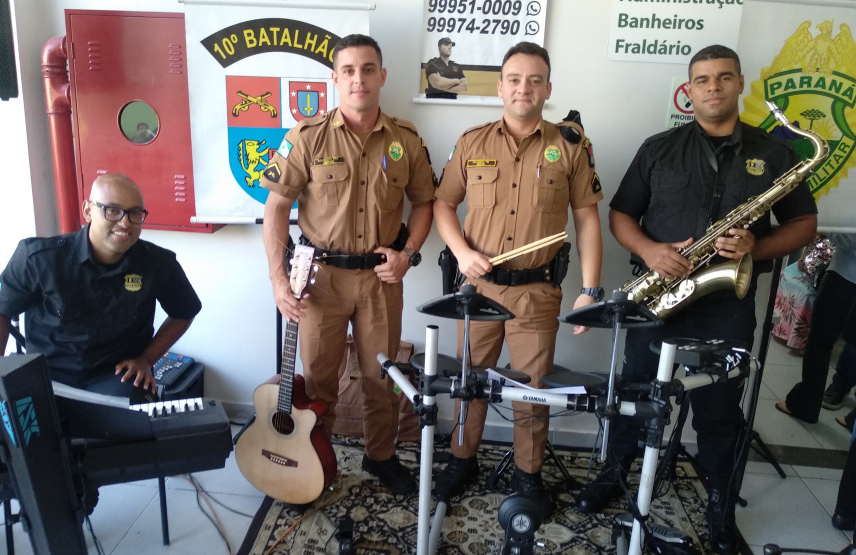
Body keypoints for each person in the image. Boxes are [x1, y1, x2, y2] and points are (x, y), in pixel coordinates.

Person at [576, 45, 817, 554]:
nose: (713, 87)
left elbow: (803, 224)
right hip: (658, 299)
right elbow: (621, 214)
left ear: (740, 83)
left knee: (719, 411)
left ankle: (720, 509)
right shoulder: (659, 148)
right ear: (688, 90)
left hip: (726, 304)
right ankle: (614, 474)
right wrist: (650, 251)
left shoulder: (774, 153)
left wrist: (757, 247)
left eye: (724, 77)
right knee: (635, 395)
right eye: (702, 79)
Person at [260, 34, 435, 495]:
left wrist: (408, 254)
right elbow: (277, 206)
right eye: (350, 70)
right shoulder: (307, 136)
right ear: (335, 79)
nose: (360, 79)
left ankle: (381, 457)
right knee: (319, 383)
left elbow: (424, 203)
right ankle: (313, 461)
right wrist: (278, 280)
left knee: (383, 377)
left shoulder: (405, 140)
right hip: (320, 280)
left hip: (380, 279)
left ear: (382, 76)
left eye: (368, 69)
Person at [432, 41, 604, 513]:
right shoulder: (472, 142)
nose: (523, 88)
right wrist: (462, 252)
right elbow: (443, 203)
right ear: (500, 87)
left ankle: (528, 474)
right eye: (514, 79)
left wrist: (590, 290)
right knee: (469, 383)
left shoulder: (570, 146)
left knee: (533, 391)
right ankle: (462, 459)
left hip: (537, 291)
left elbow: (587, 219)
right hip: (478, 290)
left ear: (547, 88)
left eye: (534, 80)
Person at [0, 173, 201, 403]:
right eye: (112, 210)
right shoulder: (39, 259)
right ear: (88, 211)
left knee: (135, 415)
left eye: (134, 213)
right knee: (4, 417)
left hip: (115, 377)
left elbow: (185, 311)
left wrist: (146, 359)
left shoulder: (158, 264)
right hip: (46, 374)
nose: (125, 223)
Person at [777, 233, 856, 422]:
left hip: (848, 277)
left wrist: (826, 228)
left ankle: (806, 405)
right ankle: (855, 420)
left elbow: (849, 239)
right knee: (855, 343)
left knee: (819, 343)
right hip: (850, 275)